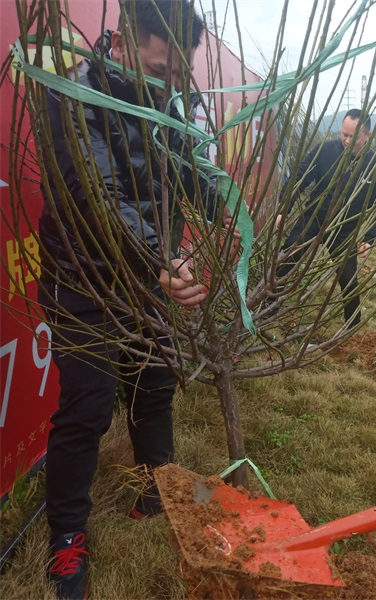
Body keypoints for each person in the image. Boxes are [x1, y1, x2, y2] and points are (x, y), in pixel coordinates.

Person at [36, 1, 217, 598]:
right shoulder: (75, 95)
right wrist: (161, 260)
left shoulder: (172, 104)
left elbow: (189, 182)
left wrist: (224, 211)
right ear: (122, 44)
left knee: (156, 382)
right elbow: (97, 196)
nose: (170, 86)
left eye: (178, 76)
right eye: (162, 70)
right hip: (84, 275)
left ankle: (155, 484)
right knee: (86, 408)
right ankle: (66, 538)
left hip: (148, 272)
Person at [277, 108, 376, 328]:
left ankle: (352, 325)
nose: (346, 140)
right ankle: (267, 308)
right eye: (343, 134)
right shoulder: (325, 150)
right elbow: (298, 179)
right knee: (287, 257)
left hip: (344, 229)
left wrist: (370, 237)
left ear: (367, 136)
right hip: (314, 219)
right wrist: (284, 207)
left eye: (352, 137)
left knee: (348, 278)